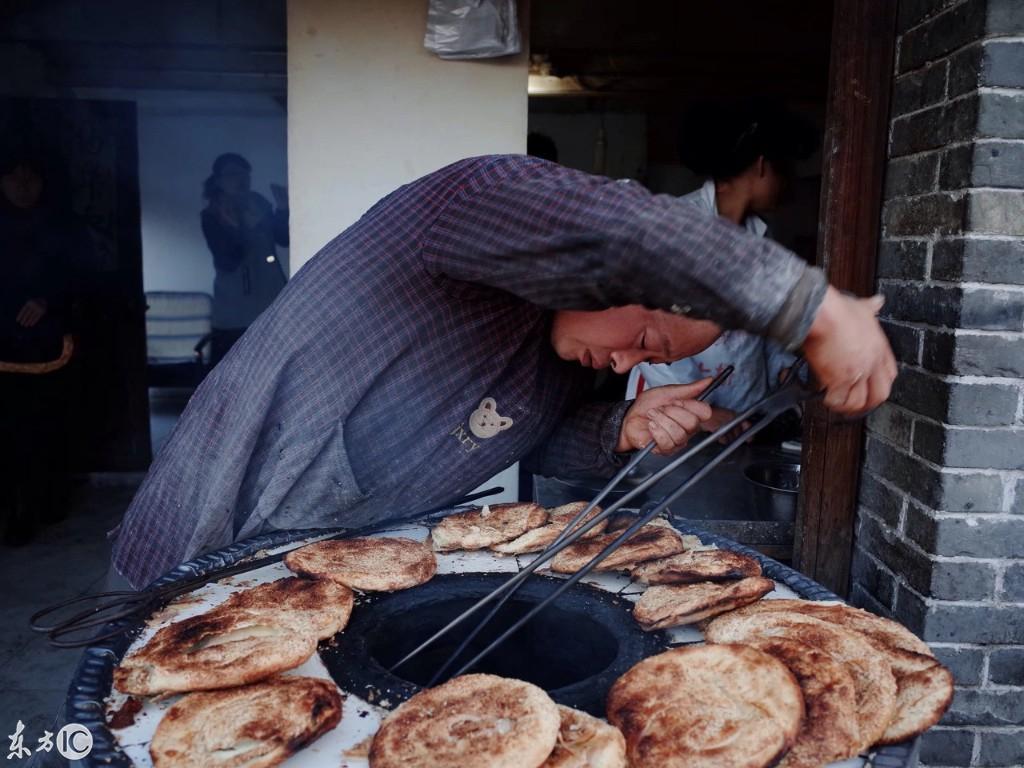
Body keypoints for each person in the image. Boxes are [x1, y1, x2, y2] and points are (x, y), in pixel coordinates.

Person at [110, 154, 895, 588]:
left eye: (655, 361)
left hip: (333, 575)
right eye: (646, 332)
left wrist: (620, 426)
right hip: (204, 540)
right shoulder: (464, 213)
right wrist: (810, 307)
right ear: (617, 278)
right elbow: (613, 224)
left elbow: (526, 439)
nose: (628, 361)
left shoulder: (561, 361)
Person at [628, 102, 818, 440]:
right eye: (785, 170)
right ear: (762, 167)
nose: (790, 185)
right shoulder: (679, 226)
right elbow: (643, 333)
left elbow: (763, 324)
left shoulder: (759, 235)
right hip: (673, 418)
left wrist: (783, 366)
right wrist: (703, 414)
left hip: (740, 412)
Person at [0, 148, 84, 543]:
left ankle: (46, 502)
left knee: (46, 427)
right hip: (3, 345)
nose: (22, 186)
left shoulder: (60, 230)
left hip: (49, 349)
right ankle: (15, 514)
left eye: (30, 176)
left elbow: (80, 282)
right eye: (13, 176)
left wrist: (46, 300)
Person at [201, 152, 289, 364]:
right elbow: (228, 260)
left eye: (245, 174)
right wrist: (236, 227)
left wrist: (283, 208)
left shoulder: (258, 202)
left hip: (271, 296)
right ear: (219, 180)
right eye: (232, 174)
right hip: (235, 308)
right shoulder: (212, 215)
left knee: (271, 365)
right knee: (232, 368)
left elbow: (283, 239)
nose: (241, 179)